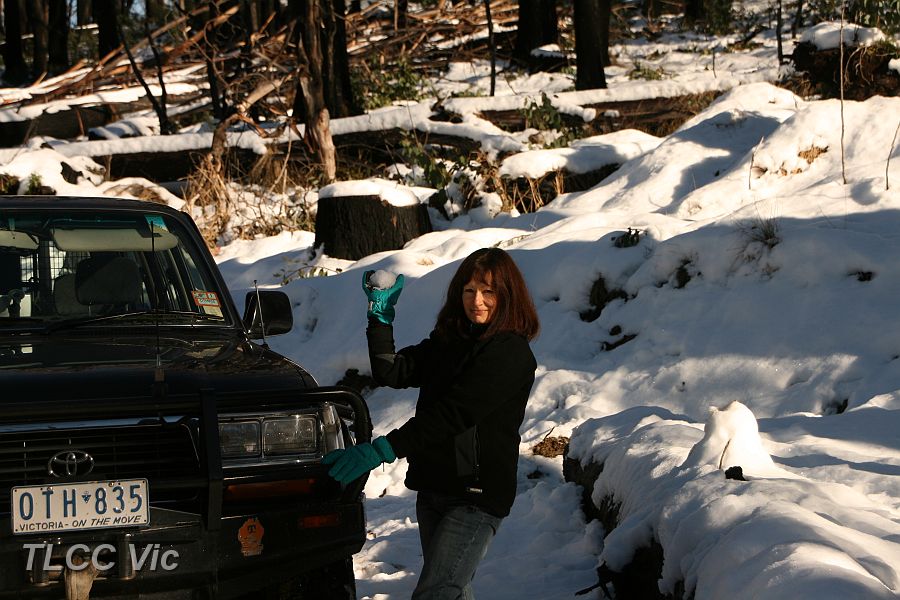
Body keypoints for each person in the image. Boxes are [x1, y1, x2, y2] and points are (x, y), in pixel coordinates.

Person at [323, 247, 540, 599]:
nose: (477, 301)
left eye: (489, 292)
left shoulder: (510, 353)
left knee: (438, 591)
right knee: (452, 589)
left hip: (475, 495)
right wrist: (379, 318)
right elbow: (392, 370)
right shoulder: (450, 341)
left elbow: (454, 414)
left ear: (508, 296)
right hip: (436, 487)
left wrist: (382, 450)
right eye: (469, 291)